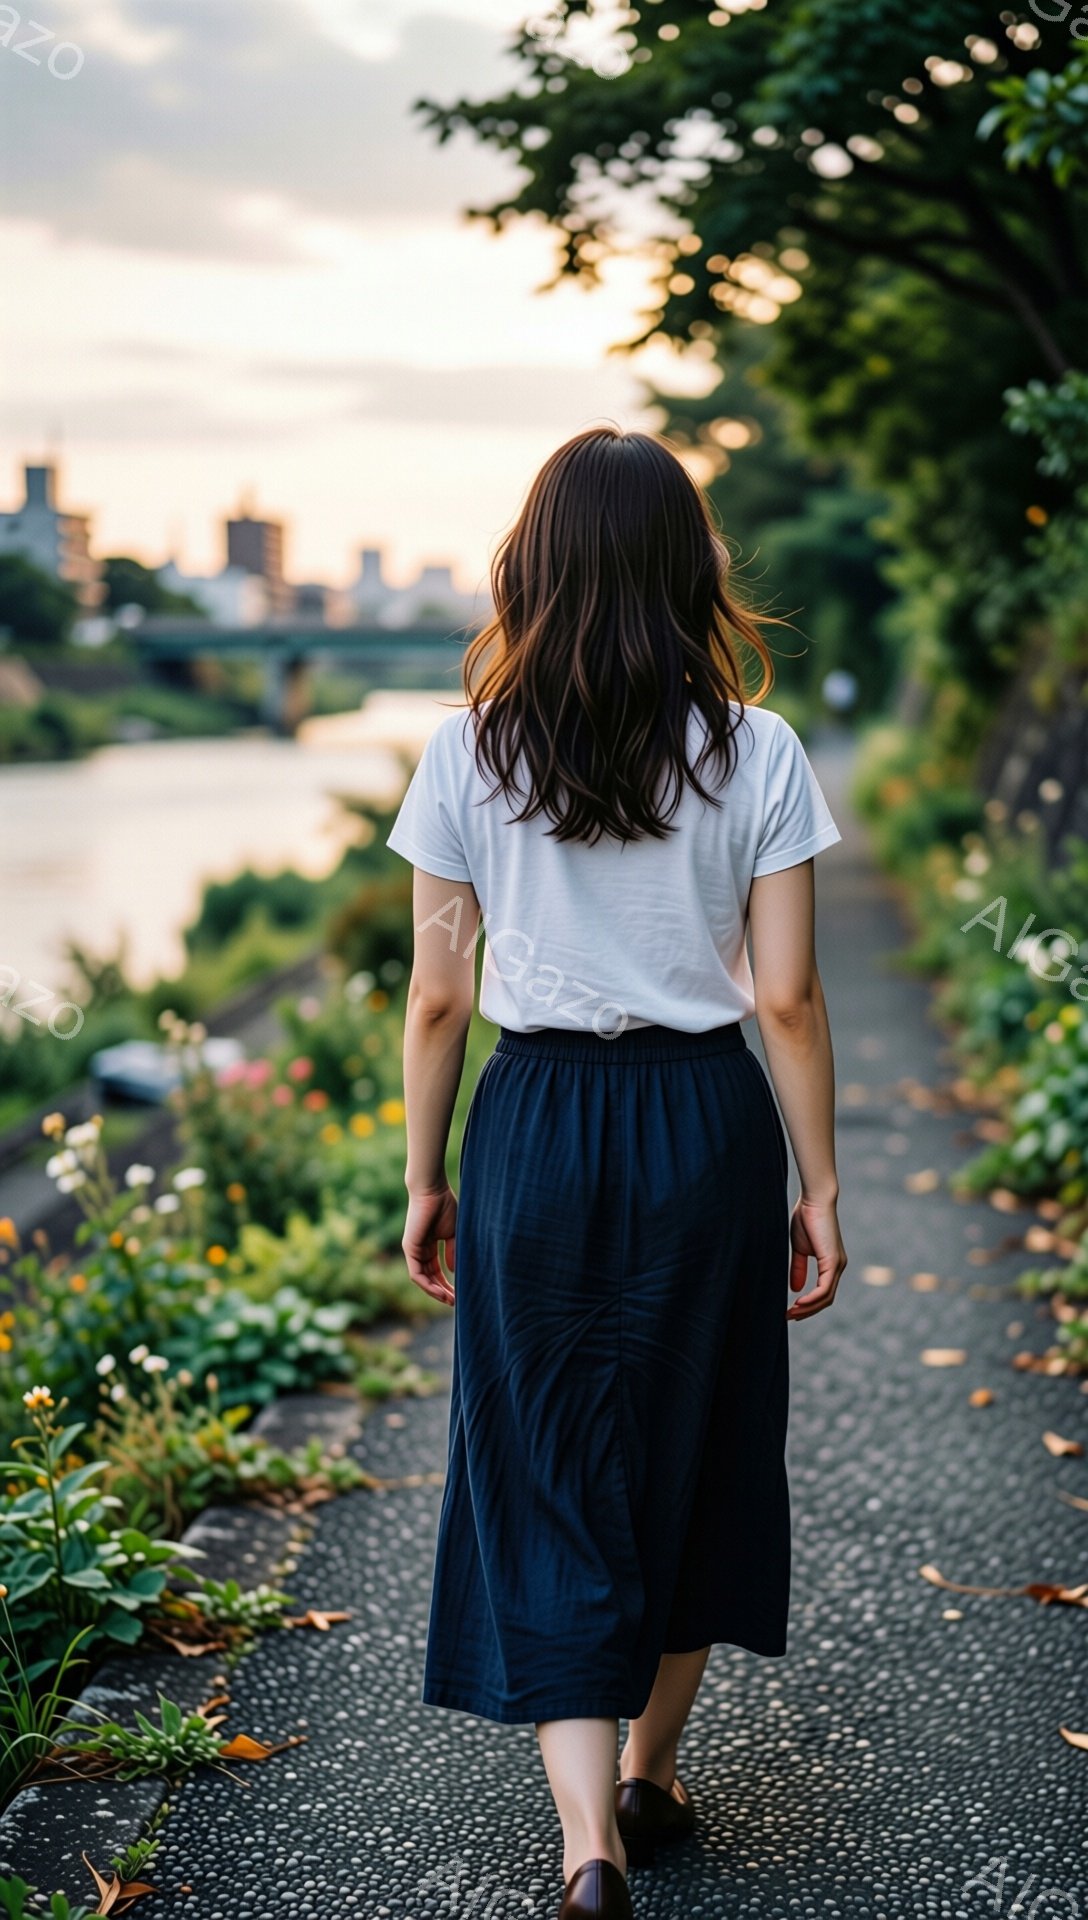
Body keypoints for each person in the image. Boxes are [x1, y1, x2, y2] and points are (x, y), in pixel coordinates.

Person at [386, 425, 848, 1920]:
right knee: (696, 1439)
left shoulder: (467, 752)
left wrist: (424, 1173)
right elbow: (785, 997)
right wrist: (819, 1183)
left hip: (533, 1123)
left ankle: (590, 1848)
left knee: (549, 1464)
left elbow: (441, 993)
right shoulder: (757, 749)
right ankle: (653, 1771)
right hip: (706, 1125)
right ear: (686, 569)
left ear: (534, 566)